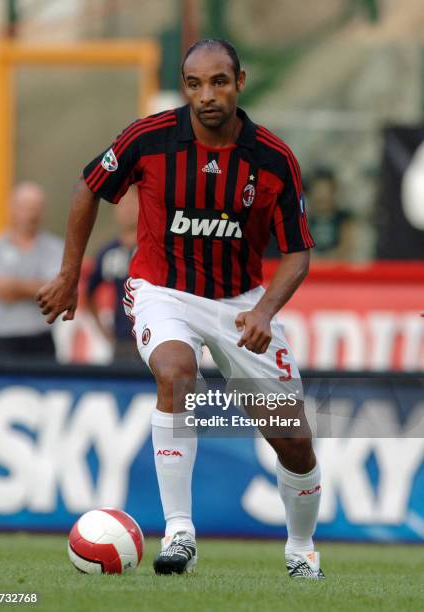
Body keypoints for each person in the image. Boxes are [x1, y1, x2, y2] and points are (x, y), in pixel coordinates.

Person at [37, 39, 324, 580]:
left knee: (294, 441)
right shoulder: (149, 138)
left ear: (240, 82)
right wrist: (70, 275)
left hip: (241, 303)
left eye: (218, 82)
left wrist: (264, 311)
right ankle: (180, 534)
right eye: (194, 84)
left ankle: (301, 548)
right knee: (175, 373)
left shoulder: (273, 159)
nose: (206, 95)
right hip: (161, 289)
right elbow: (88, 185)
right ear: (185, 87)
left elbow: (297, 253)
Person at [0, 181, 63, 361]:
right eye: (25, 207)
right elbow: (1, 291)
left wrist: (12, 284)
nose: (31, 214)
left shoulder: (55, 248)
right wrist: (37, 287)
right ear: (11, 209)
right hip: (4, 338)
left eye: (36, 208)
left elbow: (54, 291)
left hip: (42, 339)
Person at [85, 186, 140, 361]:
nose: (128, 210)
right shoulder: (108, 252)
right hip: (122, 342)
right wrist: (103, 329)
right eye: (123, 205)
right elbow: (88, 291)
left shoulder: (156, 250)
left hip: (155, 339)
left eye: (133, 203)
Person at [308, 167, 356, 260]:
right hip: (312, 268)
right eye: (317, 191)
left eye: (325, 191)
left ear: (333, 192)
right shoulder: (305, 219)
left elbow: (347, 246)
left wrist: (328, 260)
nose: (321, 197)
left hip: (336, 268)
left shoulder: (343, 218)